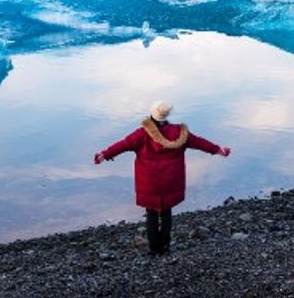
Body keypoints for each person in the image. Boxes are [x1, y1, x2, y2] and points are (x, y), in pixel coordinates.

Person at [94, 101, 231, 255]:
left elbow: (122, 145)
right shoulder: (180, 133)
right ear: (167, 115)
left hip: (149, 182)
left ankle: (154, 249)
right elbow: (200, 142)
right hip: (171, 181)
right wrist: (218, 150)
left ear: (152, 114)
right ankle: (165, 247)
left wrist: (104, 154)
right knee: (166, 213)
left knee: (151, 214)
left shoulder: (141, 134)